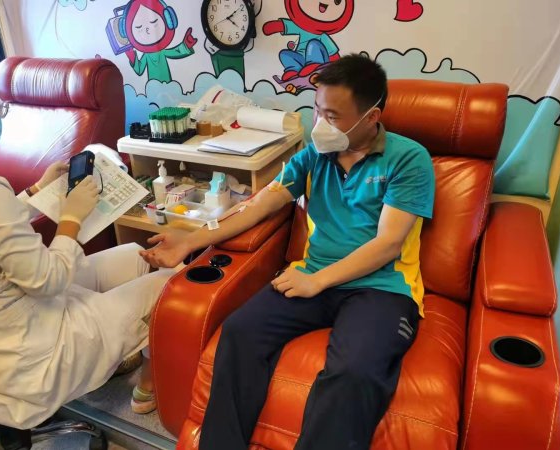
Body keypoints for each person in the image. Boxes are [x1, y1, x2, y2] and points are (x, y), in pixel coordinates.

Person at [141, 54, 435, 450]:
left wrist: (318, 281)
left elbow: (388, 244)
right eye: (317, 110)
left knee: (354, 372)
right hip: (311, 275)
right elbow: (260, 204)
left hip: (381, 288)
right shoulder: (314, 155)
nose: (319, 124)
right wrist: (192, 240)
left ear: (371, 117)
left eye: (333, 116)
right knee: (239, 333)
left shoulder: (409, 159)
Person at [0, 60, 172, 448]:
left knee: (135, 255)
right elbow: (47, 281)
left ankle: (130, 360)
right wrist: (71, 218)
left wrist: (36, 191)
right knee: (170, 283)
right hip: (26, 354)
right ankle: (149, 384)